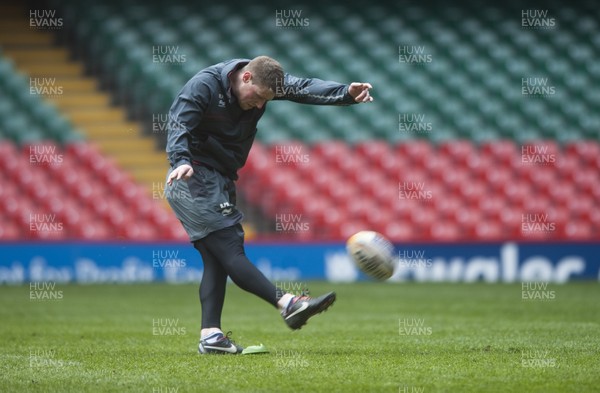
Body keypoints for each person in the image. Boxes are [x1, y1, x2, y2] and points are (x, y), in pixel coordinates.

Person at [165, 56, 373, 354]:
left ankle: (211, 336)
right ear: (246, 78)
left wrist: (345, 93)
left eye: (268, 100)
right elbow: (179, 123)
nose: (261, 105)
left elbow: (303, 87)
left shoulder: (266, 84)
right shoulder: (204, 86)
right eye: (260, 97)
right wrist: (181, 160)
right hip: (193, 175)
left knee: (217, 259)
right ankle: (287, 303)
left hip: (220, 177)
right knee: (230, 246)